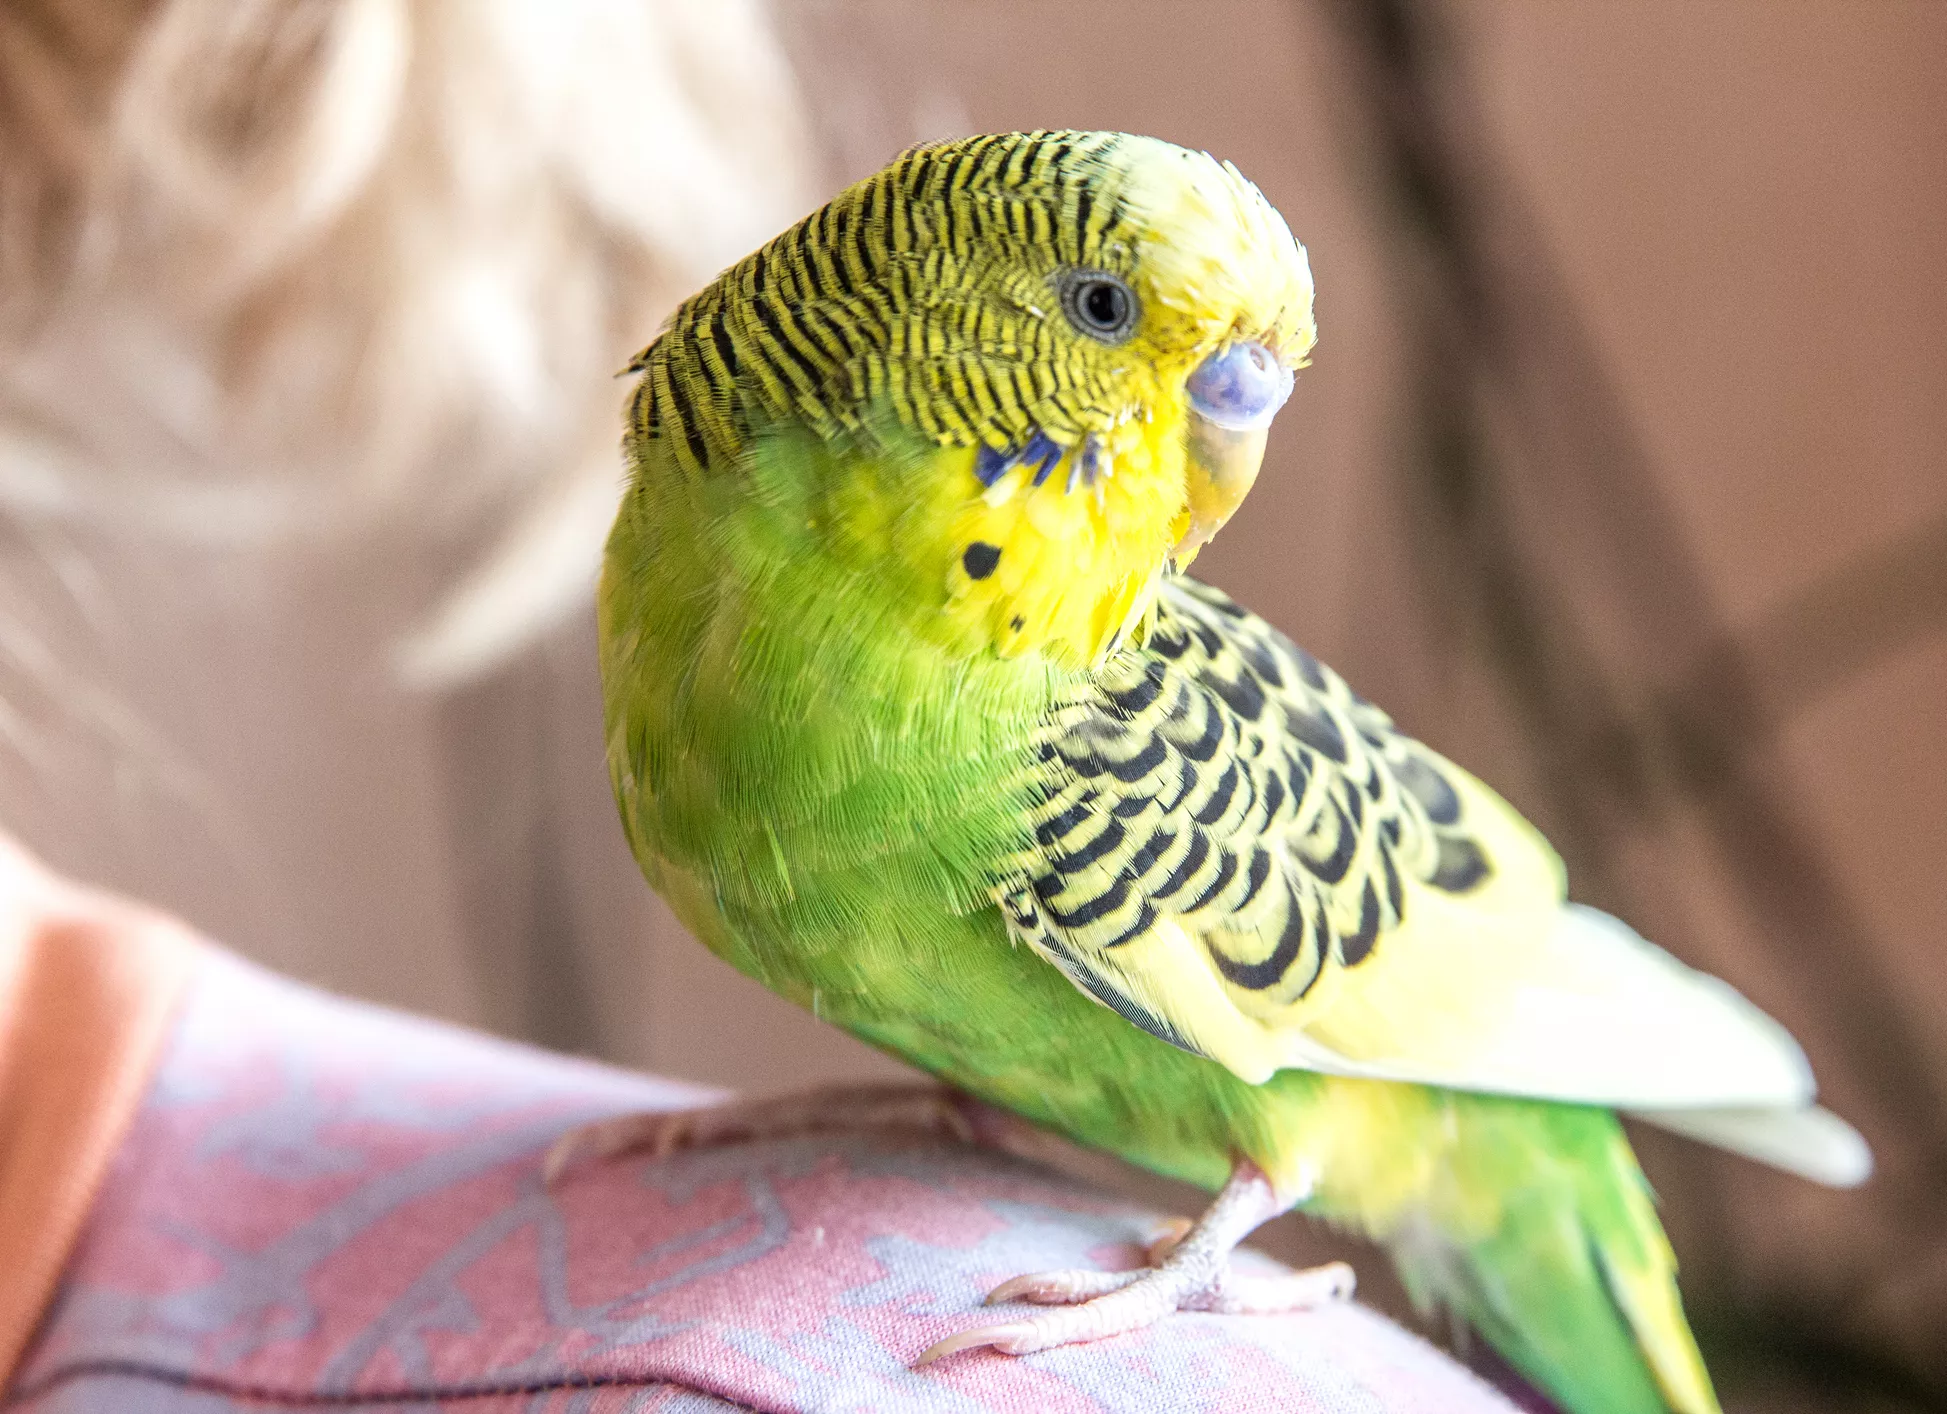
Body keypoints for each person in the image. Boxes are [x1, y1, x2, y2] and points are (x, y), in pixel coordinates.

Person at [0, 3, 1518, 1408]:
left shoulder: (1068, 707)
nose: (1233, 420)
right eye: (1110, 309)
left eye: (1252, 375)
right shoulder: (703, 558)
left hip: (1435, 1101)